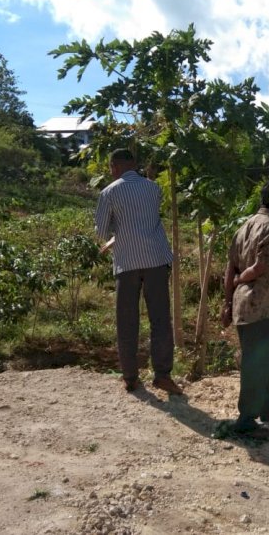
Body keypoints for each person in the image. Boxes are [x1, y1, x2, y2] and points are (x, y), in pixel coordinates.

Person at [95, 148, 182, 395]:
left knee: (127, 321)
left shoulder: (108, 192)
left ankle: (130, 377)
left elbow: (102, 232)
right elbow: (147, 221)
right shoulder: (153, 188)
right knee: (161, 320)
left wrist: (114, 232)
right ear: (134, 165)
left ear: (113, 167)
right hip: (156, 260)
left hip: (127, 264)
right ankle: (163, 376)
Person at [221, 181, 269, 440]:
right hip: (263, 305)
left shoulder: (243, 227)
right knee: (256, 363)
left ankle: (268, 408)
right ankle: (246, 418)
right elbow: (262, 266)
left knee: (256, 360)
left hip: (242, 306)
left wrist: (228, 302)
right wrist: (243, 280)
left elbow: (229, 268)